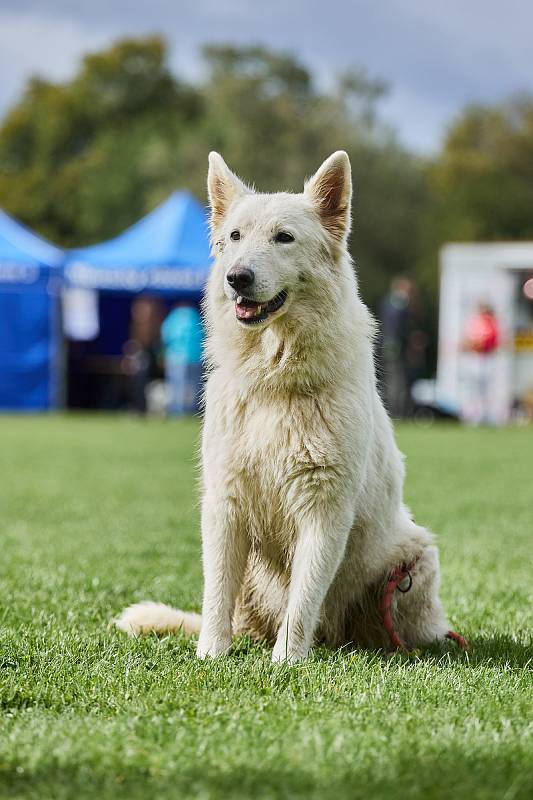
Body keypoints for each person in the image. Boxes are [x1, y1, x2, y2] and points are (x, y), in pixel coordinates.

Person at [161, 302, 203, 415]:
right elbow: (203, 336)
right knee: (195, 385)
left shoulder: (173, 318)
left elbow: (166, 336)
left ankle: (176, 410)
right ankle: (193, 410)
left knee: (176, 385)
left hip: (175, 358)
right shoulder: (195, 316)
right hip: (195, 357)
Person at [461, 302, 500, 424]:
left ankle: (486, 415)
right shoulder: (474, 323)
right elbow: (467, 341)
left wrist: (477, 345)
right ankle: (472, 415)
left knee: (486, 389)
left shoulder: (491, 324)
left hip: (486, 358)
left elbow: (490, 342)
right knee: (473, 388)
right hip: (475, 358)